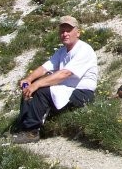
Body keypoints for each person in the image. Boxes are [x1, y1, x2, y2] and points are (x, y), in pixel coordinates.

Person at [11, 15, 98, 144]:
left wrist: (37, 84)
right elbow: (45, 67)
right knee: (29, 89)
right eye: (62, 31)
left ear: (78, 33)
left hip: (82, 92)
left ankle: (31, 132)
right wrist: (29, 79)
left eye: (69, 30)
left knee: (40, 91)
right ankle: (23, 124)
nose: (65, 34)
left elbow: (65, 74)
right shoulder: (62, 51)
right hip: (67, 89)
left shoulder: (84, 49)